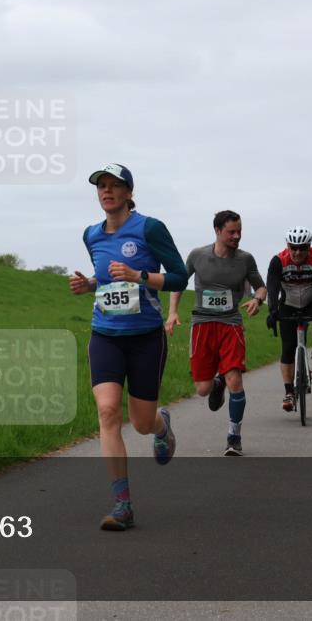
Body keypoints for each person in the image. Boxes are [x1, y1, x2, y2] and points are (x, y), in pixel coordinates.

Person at [70, 163, 188, 530]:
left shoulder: (150, 228)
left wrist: (140, 275)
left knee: (139, 423)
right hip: (105, 334)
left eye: (114, 186)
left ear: (129, 193)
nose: (106, 191)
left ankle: (161, 427)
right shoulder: (91, 234)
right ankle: (122, 504)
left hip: (145, 338)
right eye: (101, 186)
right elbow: (106, 279)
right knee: (107, 412)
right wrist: (89, 285)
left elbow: (180, 275)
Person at [166, 210, 266, 456]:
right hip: (202, 324)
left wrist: (258, 300)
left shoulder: (245, 259)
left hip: (231, 324)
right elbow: (178, 282)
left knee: (236, 381)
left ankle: (234, 436)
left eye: (239, 231)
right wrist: (172, 313)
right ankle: (216, 383)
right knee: (202, 389)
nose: (237, 236)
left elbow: (261, 287)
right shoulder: (198, 255)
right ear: (218, 231)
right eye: (231, 232)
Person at [265, 227, 312, 413]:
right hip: (288, 303)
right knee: (288, 347)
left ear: (309, 247)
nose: (297, 252)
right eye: (293, 247)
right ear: (288, 246)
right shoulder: (278, 260)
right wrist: (272, 311)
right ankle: (289, 392)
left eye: (302, 248)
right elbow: (272, 287)